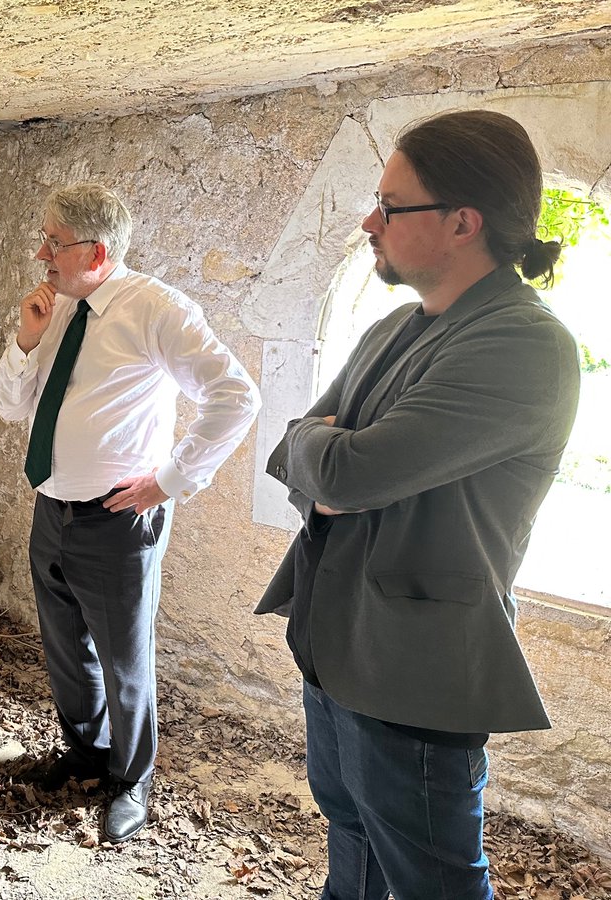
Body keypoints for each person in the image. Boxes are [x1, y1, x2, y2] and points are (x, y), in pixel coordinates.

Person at [257, 109, 580, 899]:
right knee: (352, 838)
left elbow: (344, 472)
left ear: (463, 222)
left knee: (432, 877)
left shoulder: (523, 345)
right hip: (335, 643)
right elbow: (291, 443)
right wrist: (320, 459)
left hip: (414, 665)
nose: (370, 221)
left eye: (390, 206)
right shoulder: (393, 327)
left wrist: (323, 462)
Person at [0, 183, 261, 843]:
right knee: (65, 650)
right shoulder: (53, 307)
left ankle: (131, 779)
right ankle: (84, 754)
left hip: (117, 521)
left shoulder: (157, 310)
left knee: (123, 660)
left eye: (54, 242)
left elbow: (236, 395)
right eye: (46, 238)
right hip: (50, 508)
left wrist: (171, 479)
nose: (41, 252)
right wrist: (25, 341)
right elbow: (10, 408)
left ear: (97, 250)